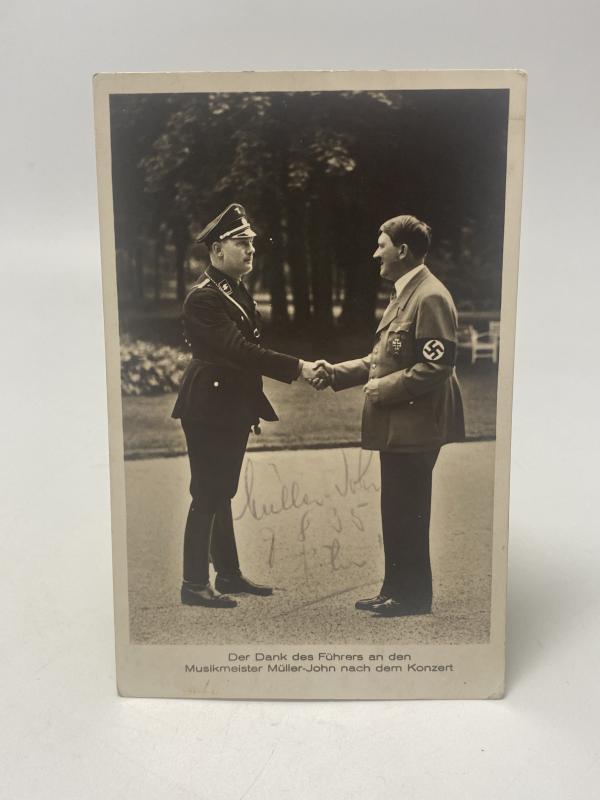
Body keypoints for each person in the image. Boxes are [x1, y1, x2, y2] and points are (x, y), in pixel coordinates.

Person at [172, 203, 324, 608]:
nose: (251, 250)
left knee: (223, 489)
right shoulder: (203, 299)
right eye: (242, 243)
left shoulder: (234, 290)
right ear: (218, 250)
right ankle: (193, 584)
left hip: (228, 402)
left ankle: (228, 573)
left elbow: (246, 351)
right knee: (208, 490)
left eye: (252, 243)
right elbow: (239, 349)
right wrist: (299, 368)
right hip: (209, 402)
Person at [314, 215, 465, 617]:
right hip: (401, 428)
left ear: (402, 251)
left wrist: (385, 389)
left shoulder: (429, 296)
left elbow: (438, 366)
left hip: (417, 426)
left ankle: (412, 596)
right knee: (396, 508)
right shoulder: (406, 293)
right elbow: (382, 358)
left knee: (408, 509)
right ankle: (394, 589)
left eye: (381, 245)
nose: (375, 252)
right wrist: (337, 373)